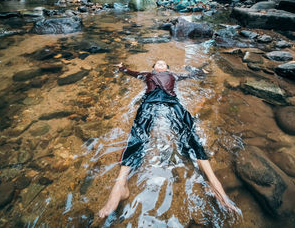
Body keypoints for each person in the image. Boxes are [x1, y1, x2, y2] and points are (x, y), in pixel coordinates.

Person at [99, 60, 241, 219]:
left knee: (189, 133)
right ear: (152, 68)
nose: (160, 65)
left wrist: (202, 73)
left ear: (168, 68)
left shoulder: (173, 75)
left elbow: (191, 76)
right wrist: (122, 68)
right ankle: (120, 184)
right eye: (157, 64)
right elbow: (131, 72)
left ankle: (213, 182)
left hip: (173, 103)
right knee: (138, 133)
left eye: (163, 64)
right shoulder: (147, 75)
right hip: (149, 103)